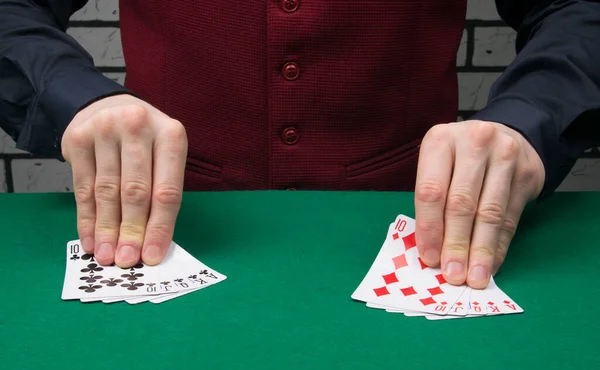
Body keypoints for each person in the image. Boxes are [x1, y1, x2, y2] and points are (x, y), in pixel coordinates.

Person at [1, 1, 599, 289]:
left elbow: (578, 8)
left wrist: (529, 116)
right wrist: (77, 95)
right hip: (171, 227)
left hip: (423, 232)